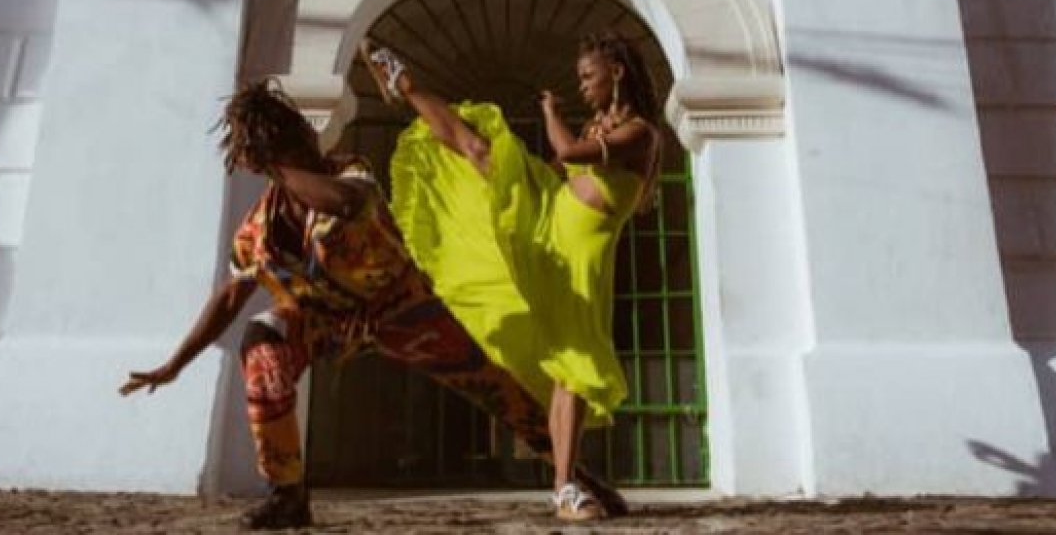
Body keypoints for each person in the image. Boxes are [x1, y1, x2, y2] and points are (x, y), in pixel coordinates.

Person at [119, 80, 626, 530]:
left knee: (501, 392)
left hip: (403, 311)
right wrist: (174, 364)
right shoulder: (260, 226)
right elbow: (230, 296)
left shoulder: (352, 174)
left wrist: (279, 163)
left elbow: (341, 203)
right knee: (262, 339)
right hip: (328, 323)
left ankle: (576, 474)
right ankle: (289, 494)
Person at [359, 30, 662, 522]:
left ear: (618, 72)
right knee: (479, 149)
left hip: (575, 258)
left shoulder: (641, 134)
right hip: (549, 228)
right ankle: (405, 83)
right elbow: (559, 168)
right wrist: (514, 174)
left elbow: (568, 154)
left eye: (589, 76)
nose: (582, 86)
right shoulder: (598, 127)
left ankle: (570, 483)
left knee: (572, 370)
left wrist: (549, 113)